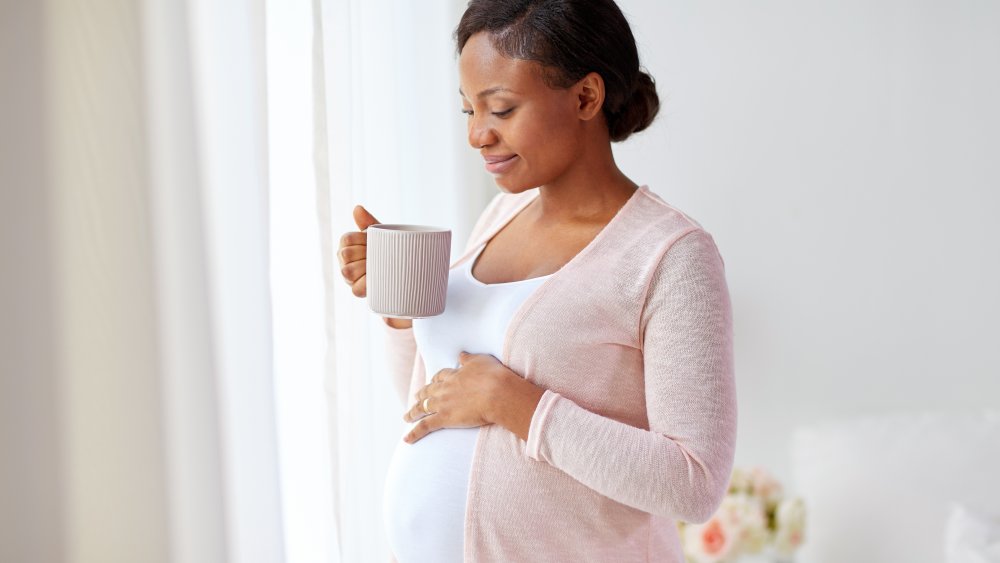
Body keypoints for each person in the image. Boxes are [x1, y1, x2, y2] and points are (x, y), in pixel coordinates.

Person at [337, 1, 737, 561]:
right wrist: (402, 311)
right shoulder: (498, 220)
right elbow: (428, 405)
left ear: (585, 98)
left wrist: (517, 404)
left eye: (500, 109)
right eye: (468, 111)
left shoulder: (670, 256)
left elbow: (694, 484)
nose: (478, 135)